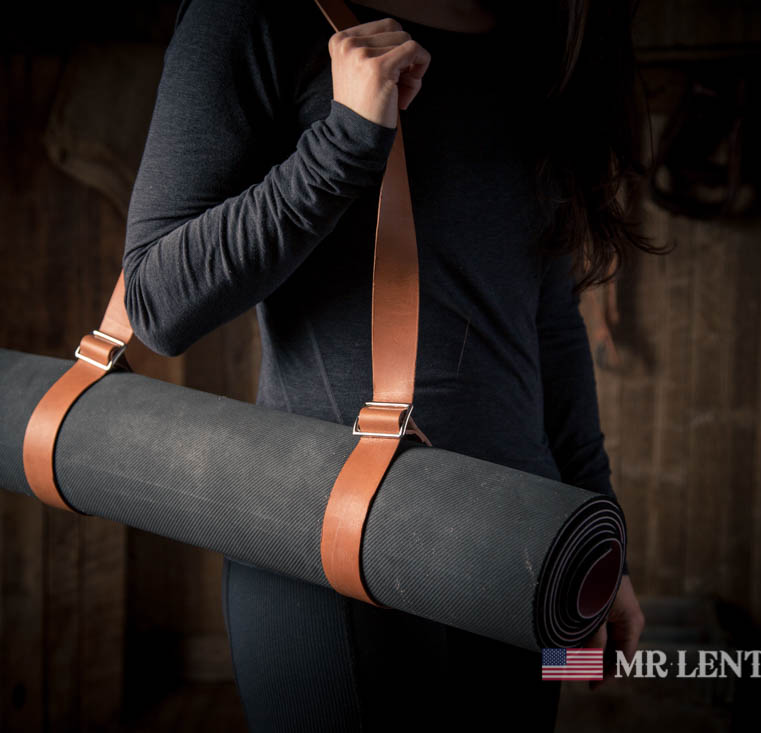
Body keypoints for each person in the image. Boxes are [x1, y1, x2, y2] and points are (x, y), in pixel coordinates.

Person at [123, 0, 650, 729]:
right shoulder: (254, 14)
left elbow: (550, 325)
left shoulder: (546, 35)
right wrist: (343, 143)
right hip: (329, 556)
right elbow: (158, 303)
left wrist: (602, 542)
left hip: (526, 554)